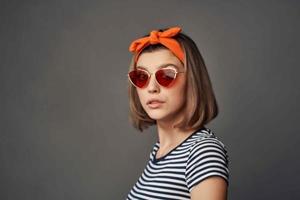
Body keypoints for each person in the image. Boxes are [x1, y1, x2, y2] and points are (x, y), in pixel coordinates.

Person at [126, 26, 229, 200]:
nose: (152, 88)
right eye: (141, 76)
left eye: (166, 74)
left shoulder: (202, 152)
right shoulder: (161, 151)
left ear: (192, 80)